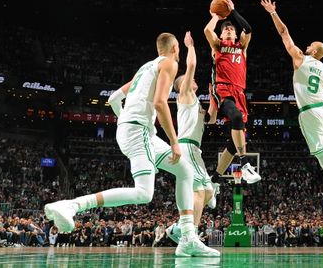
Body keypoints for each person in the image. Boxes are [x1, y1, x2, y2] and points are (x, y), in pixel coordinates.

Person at [44, 33, 218, 257]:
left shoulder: (145, 68)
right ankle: (73, 205)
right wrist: (174, 142)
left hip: (136, 130)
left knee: (185, 170)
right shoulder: (170, 63)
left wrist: (125, 120)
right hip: (139, 131)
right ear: (176, 48)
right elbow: (159, 103)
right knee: (144, 193)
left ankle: (187, 238)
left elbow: (114, 98)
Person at [260, 0, 323, 221]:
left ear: (313, 52)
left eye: (309, 46)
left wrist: (272, 13)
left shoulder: (301, 59)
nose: (305, 47)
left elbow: (284, 33)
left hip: (310, 113)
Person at [165, 31, 218, 243]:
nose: (193, 80)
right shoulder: (184, 94)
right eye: (189, 80)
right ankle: (189, 234)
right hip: (187, 147)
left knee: (205, 192)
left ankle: (181, 228)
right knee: (201, 191)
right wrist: (190, 46)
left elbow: (212, 120)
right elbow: (192, 66)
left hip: (194, 149)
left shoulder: (196, 103)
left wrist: (213, 96)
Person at [205, 0, 260, 187]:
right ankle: (244, 164)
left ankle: (215, 179)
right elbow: (207, 32)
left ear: (237, 34)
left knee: (233, 142)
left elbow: (249, 29)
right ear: (221, 34)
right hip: (223, 89)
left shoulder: (242, 48)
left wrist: (233, 11)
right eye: (225, 28)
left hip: (240, 92)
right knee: (235, 117)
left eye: (231, 29)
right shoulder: (217, 46)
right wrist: (215, 17)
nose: (228, 29)